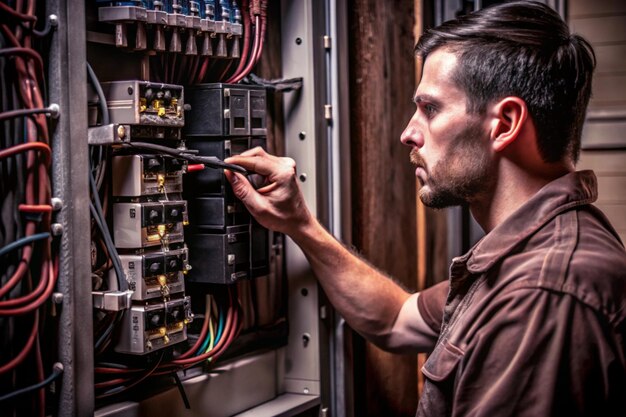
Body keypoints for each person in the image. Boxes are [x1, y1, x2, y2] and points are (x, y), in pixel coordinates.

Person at [224, 1, 626, 416]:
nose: (407, 133)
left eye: (430, 109)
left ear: (504, 124)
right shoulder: (525, 256)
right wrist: (300, 224)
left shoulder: (541, 296)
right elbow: (396, 319)